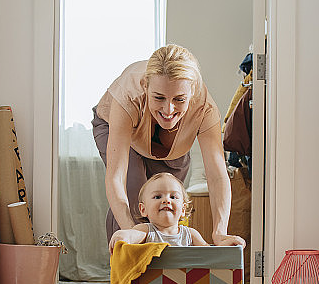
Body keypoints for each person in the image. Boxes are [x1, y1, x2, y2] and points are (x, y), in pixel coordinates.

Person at [92, 44, 246, 250]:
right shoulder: (128, 97)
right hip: (117, 126)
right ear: (145, 85)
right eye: (159, 97)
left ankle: (168, 269)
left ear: (192, 92)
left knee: (166, 198)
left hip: (171, 144)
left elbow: (217, 176)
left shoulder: (205, 109)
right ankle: (125, 268)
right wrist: (132, 234)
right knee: (134, 189)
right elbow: (116, 177)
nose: (168, 109)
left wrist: (220, 233)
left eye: (179, 99)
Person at [110, 172, 208, 250]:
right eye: (157, 197)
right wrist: (124, 235)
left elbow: (209, 253)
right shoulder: (146, 231)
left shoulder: (190, 234)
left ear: (183, 209)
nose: (166, 200)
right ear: (143, 209)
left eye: (173, 197)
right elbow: (133, 235)